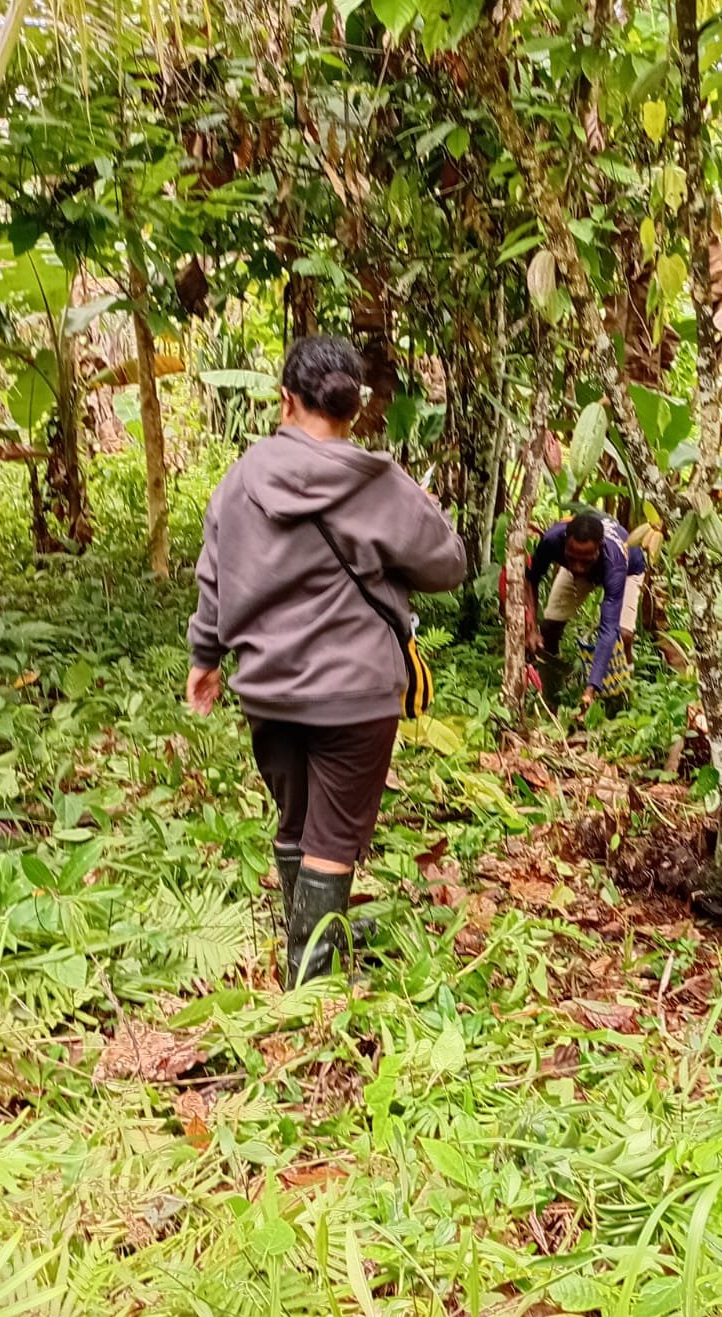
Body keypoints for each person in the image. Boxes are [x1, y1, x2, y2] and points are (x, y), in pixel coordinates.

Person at [186, 335, 466, 982]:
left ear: (286, 400)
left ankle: (314, 937)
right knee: (333, 838)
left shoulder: (241, 479)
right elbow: (448, 565)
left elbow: (213, 578)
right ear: (354, 407)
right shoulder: (378, 482)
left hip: (268, 691)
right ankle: (308, 985)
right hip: (355, 693)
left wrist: (206, 657)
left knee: (297, 823)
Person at [524, 511, 646, 708]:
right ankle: (552, 697)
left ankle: (624, 691)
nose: (578, 567)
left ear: (600, 548)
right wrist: (531, 628)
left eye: (585, 561)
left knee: (623, 635)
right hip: (589, 570)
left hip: (629, 570)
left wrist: (591, 688)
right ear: (565, 543)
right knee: (549, 628)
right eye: (572, 558)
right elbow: (531, 577)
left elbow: (608, 629)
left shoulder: (615, 561)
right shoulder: (552, 540)